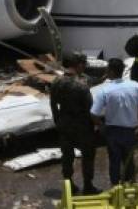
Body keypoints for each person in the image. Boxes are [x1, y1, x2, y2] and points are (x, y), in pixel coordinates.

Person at [50, 52, 101, 195]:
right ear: (78, 65)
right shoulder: (82, 85)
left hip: (64, 123)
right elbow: (91, 108)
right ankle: (88, 185)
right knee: (88, 155)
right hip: (83, 125)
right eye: (83, 65)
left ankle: (69, 183)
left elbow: (53, 105)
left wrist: (58, 121)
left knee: (67, 155)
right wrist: (96, 125)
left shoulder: (56, 82)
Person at [91, 58, 138, 188]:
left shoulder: (104, 90)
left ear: (109, 71)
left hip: (113, 131)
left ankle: (115, 188)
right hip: (132, 130)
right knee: (129, 160)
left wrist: (101, 126)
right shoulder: (136, 86)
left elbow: (93, 114)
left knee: (114, 161)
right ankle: (130, 187)